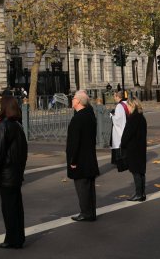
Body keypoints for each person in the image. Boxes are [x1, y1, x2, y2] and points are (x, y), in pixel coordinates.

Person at [0, 94, 27, 249]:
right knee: (16, 207)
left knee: (9, 208)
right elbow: (22, 151)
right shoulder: (17, 125)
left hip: (6, 174)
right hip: (16, 172)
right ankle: (18, 237)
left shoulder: (4, 126)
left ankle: (12, 239)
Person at [66, 89, 99, 222]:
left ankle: (85, 212)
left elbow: (74, 142)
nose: (72, 100)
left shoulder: (78, 119)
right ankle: (91, 211)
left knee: (82, 187)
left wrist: (72, 159)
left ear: (78, 101)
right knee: (89, 186)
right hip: (89, 156)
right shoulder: (90, 115)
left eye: (74, 98)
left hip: (80, 158)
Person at [120, 96, 148, 201]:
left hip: (133, 148)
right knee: (141, 171)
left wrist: (122, 145)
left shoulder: (133, 118)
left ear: (132, 105)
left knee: (136, 171)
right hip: (140, 147)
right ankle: (142, 193)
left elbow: (127, 134)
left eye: (128, 105)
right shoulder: (141, 117)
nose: (127, 107)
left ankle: (139, 194)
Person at [110, 90, 129, 171]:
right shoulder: (126, 103)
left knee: (118, 146)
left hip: (120, 129)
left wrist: (111, 116)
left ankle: (121, 164)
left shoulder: (119, 106)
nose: (114, 98)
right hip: (126, 127)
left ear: (118, 97)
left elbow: (117, 119)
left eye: (115, 96)